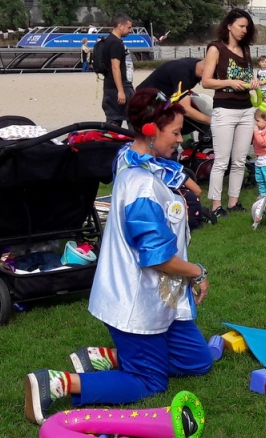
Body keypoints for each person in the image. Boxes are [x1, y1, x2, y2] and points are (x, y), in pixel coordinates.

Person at [24, 89, 212, 425]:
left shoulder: (136, 158)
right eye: (175, 133)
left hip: (162, 297)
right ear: (151, 133)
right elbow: (157, 259)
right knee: (149, 382)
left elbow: (177, 182)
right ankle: (55, 383)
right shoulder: (141, 187)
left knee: (197, 362)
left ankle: (108, 357)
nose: (181, 140)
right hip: (135, 300)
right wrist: (197, 271)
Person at [201, 8, 259, 219]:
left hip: (245, 109)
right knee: (222, 160)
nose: (244, 30)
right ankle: (216, 204)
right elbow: (206, 81)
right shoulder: (216, 48)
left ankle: (234, 202)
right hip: (224, 109)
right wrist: (228, 82)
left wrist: (252, 82)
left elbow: (246, 77)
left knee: (239, 160)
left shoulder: (246, 50)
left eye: (247, 27)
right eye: (241, 26)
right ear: (229, 25)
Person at [137, 58, 210, 136]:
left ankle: (187, 143)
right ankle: (185, 143)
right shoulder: (182, 72)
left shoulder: (195, 64)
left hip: (162, 99)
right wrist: (212, 121)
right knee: (194, 119)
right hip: (145, 104)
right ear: (205, 71)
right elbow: (186, 108)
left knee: (193, 116)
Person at [98, 14, 135, 127]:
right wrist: (121, 91)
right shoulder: (116, 43)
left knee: (113, 122)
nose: (130, 31)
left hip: (109, 87)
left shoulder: (107, 40)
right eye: (128, 28)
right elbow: (115, 67)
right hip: (119, 88)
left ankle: (112, 143)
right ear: (120, 26)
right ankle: (133, 144)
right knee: (133, 119)